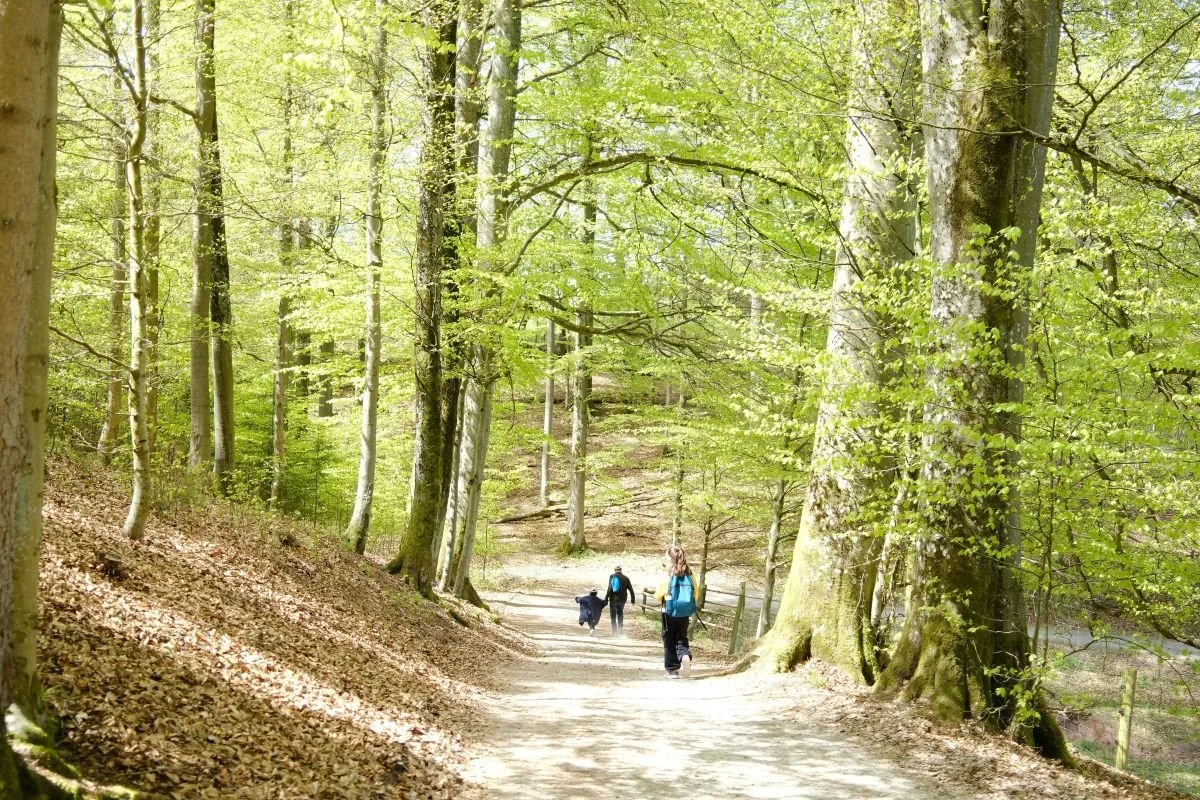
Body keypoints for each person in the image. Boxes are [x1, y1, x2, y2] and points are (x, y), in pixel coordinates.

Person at [655, 545, 696, 678]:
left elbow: (658, 594)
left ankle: (672, 669)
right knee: (681, 637)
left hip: (668, 611)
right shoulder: (689, 573)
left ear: (670, 558)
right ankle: (684, 655)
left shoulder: (668, 574)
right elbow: (696, 592)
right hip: (684, 612)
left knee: (669, 639)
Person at [604, 565, 636, 636]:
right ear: (621, 570)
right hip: (622, 599)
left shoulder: (612, 577)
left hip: (613, 599)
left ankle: (614, 632)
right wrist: (633, 600)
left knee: (613, 615)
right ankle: (620, 631)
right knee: (620, 614)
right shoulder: (626, 578)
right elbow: (631, 590)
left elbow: (610, 588)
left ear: (614, 570)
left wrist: (606, 598)